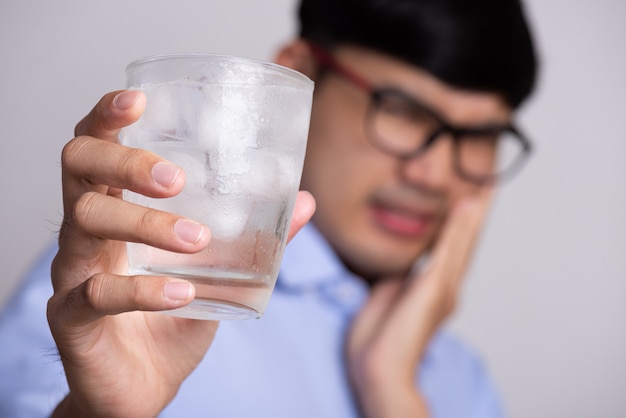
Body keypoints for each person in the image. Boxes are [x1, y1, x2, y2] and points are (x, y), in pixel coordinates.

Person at [0, 0, 538, 416]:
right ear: (298, 75)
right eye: (403, 111)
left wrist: (395, 392)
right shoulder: (130, 282)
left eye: (480, 136)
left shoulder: (463, 384)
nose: (436, 174)